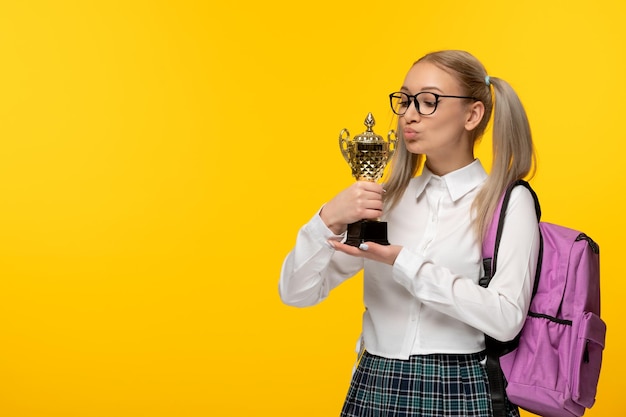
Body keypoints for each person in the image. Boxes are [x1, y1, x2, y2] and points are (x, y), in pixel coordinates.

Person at [279, 50, 540, 417]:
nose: (410, 115)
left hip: (461, 389)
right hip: (375, 382)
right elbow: (297, 292)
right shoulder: (387, 200)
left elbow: (506, 317)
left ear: (472, 114)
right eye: (403, 101)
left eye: (428, 101)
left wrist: (403, 262)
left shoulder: (507, 203)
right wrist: (327, 219)